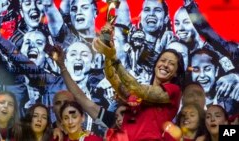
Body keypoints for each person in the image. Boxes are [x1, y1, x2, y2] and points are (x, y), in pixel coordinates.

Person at [49, 22, 185, 140]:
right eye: (162, 60)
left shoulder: (173, 91)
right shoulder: (135, 99)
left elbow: (137, 88)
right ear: (155, 64)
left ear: (176, 73)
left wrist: (113, 57)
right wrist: (108, 50)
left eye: (171, 63)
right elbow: (113, 79)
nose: (165, 65)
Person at [189, 48, 239, 115]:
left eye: (207, 69)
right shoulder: (185, 103)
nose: (202, 75)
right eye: (196, 70)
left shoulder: (233, 96)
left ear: (216, 71)